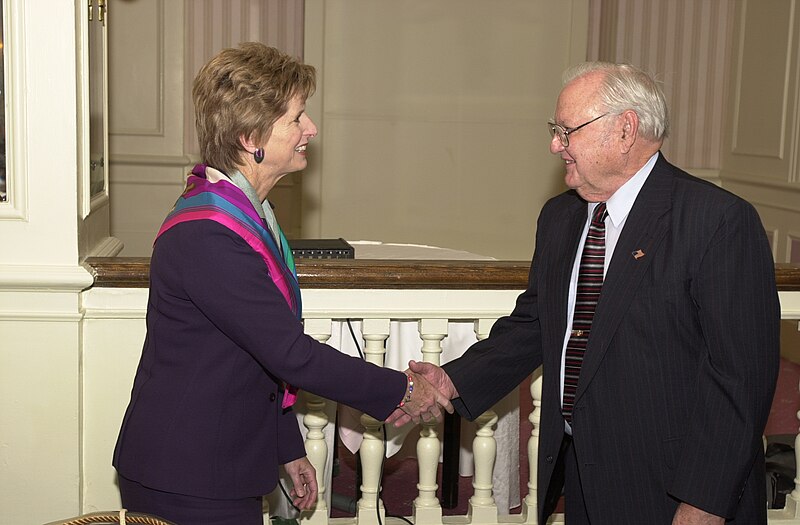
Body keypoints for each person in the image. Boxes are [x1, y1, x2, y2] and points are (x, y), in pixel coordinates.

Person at [389, 62, 780, 524]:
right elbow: (537, 323)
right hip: (582, 475)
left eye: (566, 130)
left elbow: (740, 381)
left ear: (625, 129)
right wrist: (452, 381)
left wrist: (703, 503)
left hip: (675, 489)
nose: (555, 145)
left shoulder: (715, 222)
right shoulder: (561, 217)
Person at [113, 42, 452, 525]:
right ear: (251, 135)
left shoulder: (251, 212)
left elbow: (255, 355)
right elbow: (289, 353)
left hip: (218, 458)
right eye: (297, 117)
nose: (310, 128)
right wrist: (400, 389)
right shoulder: (208, 231)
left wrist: (285, 447)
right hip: (187, 470)